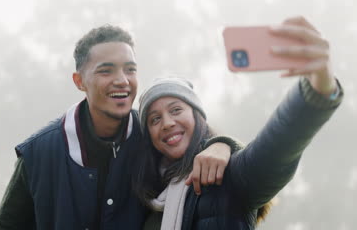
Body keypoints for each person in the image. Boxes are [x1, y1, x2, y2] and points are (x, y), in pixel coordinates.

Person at [0, 25, 238, 229]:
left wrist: (223, 146)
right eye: (106, 71)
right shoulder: (40, 152)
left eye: (130, 69)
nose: (122, 81)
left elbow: (195, 143)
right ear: (79, 81)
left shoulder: (151, 134)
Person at [133, 16, 344, 229]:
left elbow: (277, 146)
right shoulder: (146, 199)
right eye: (155, 119)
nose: (167, 123)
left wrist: (318, 88)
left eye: (176, 110)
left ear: (198, 116)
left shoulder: (226, 174)